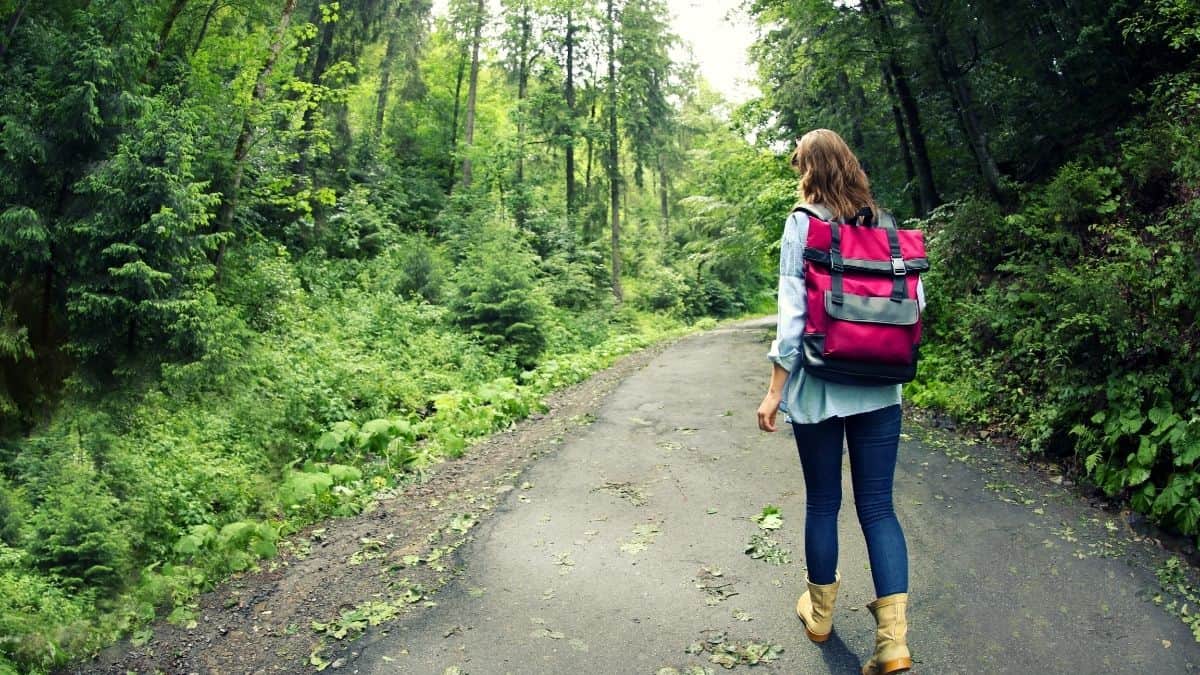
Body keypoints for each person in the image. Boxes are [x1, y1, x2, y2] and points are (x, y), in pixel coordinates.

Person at [756, 129, 919, 675]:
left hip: (821, 384)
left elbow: (792, 315)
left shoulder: (803, 223)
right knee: (879, 508)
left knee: (823, 502)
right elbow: (913, 302)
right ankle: (893, 643)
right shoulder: (887, 227)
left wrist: (776, 390)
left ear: (808, 169)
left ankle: (821, 615)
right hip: (880, 386)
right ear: (850, 166)